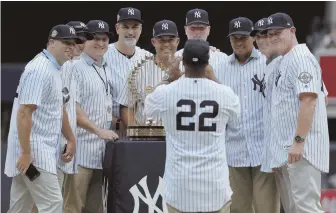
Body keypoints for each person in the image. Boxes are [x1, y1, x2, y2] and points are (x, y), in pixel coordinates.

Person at [144, 39, 240, 213]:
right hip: (215, 186)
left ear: (183, 61)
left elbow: (148, 109)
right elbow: (235, 113)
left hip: (179, 186)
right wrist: (213, 78)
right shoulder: (224, 93)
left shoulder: (167, 92)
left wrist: (169, 77)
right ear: (207, 63)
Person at [4, 24, 79, 213]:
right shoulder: (39, 69)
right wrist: (26, 153)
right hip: (34, 150)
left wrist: (70, 137)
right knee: (53, 204)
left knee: (20, 207)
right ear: (51, 43)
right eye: (66, 43)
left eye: (73, 43)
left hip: (39, 148)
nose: (71, 47)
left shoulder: (56, 68)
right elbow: (24, 113)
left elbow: (58, 108)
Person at [266, 12, 329, 213]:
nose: (273, 37)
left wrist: (299, 141)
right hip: (287, 150)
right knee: (293, 208)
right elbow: (324, 96)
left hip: (301, 150)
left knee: (306, 208)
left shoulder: (301, 58)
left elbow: (309, 100)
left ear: (292, 31)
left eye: (278, 32)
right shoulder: (284, 60)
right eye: (270, 34)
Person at [217, 17, 279, 213]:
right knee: (238, 208)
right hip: (234, 148)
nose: (238, 42)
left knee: (266, 208)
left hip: (264, 148)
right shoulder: (221, 68)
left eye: (243, 37)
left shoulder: (269, 62)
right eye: (234, 38)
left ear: (253, 37)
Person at [62, 20, 119, 213]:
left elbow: (104, 109)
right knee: (72, 208)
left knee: (96, 209)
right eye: (95, 38)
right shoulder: (74, 67)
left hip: (100, 154)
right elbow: (73, 110)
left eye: (104, 39)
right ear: (85, 40)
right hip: (79, 153)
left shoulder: (105, 67)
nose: (100, 43)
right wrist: (99, 130)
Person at [117, 19, 180, 125]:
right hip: (148, 135)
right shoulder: (139, 69)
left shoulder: (188, 68)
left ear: (177, 41)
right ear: (153, 42)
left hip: (180, 136)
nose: (166, 44)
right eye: (161, 40)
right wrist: (136, 135)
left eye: (170, 40)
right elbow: (126, 107)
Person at [104, 7, 152, 138]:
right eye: (125, 27)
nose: (131, 32)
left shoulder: (148, 57)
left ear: (141, 29)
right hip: (107, 132)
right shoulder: (102, 54)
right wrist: (118, 122)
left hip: (141, 133)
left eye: (135, 27)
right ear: (117, 28)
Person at [175, 8, 227, 76]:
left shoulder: (222, 58)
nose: (197, 33)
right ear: (185, 30)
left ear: (209, 30)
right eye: (192, 28)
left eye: (201, 28)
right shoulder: (175, 58)